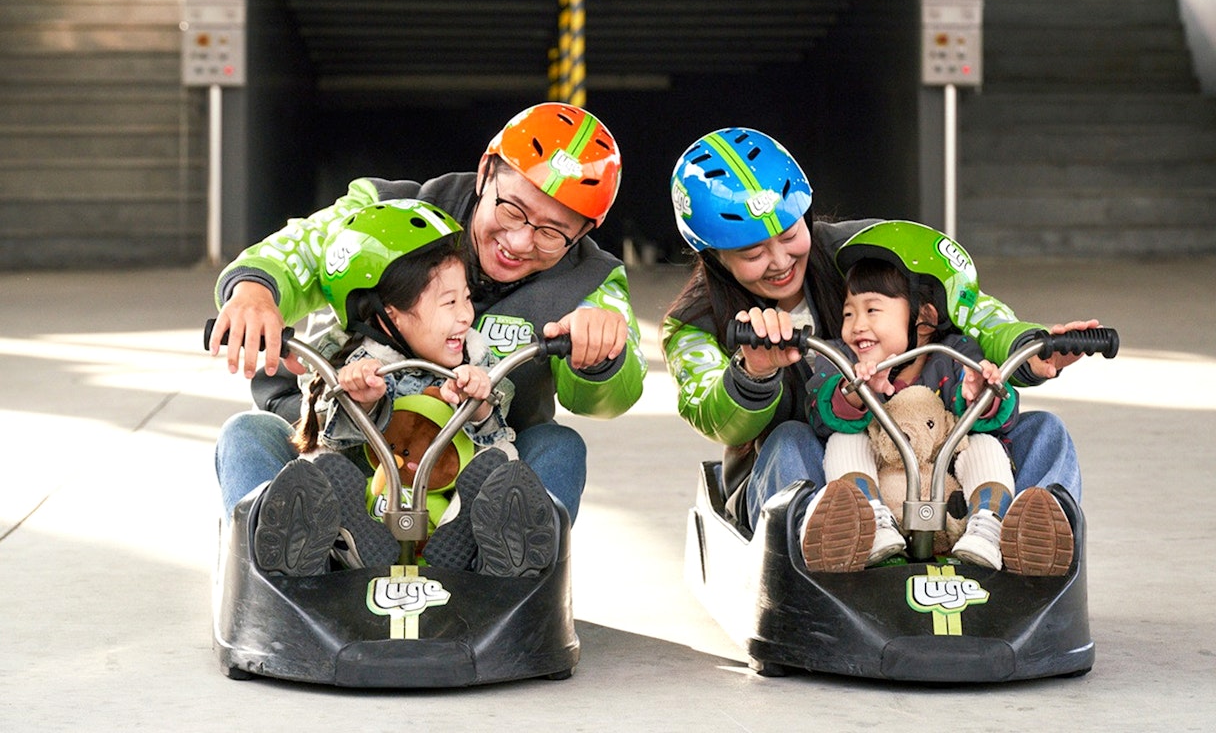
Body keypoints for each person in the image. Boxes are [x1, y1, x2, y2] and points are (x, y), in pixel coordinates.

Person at [208, 102, 646, 531]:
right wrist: (254, 290)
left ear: (585, 231)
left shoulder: (594, 282)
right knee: (247, 433)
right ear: (486, 173)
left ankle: (517, 554)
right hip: (339, 446)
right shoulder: (385, 210)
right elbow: (303, 248)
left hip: (479, 467)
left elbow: (611, 395)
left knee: (559, 445)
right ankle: (283, 541)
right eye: (511, 209)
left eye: (552, 233)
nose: (518, 240)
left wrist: (601, 354)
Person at [661, 127, 1100, 545]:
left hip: (930, 460)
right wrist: (752, 373)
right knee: (788, 438)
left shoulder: (866, 254)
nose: (780, 261)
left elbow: (968, 305)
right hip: (812, 469)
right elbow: (714, 415)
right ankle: (832, 542)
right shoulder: (693, 322)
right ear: (715, 258)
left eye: (790, 233)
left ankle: (1031, 543)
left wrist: (1026, 350)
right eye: (752, 252)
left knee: (1047, 431)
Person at [253, 198, 554, 578]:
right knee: (293, 456)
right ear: (389, 313)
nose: (466, 314)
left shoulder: (475, 357)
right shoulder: (347, 361)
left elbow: (495, 435)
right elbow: (319, 437)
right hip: (365, 514)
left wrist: (478, 401)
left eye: (466, 298)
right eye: (449, 302)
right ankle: (296, 558)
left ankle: (496, 557)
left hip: (451, 512)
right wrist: (356, 400)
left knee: (530, 457)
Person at [802, 220, 1043, 574]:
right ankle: (869, 523)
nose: (856, 325)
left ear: (925, 317)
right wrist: (855, 394)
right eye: (848, 313)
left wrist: (981, 395)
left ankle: (989, 528)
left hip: (949, 497)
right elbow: (820, 409)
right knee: (843, 437)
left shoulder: (953, 355)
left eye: (872, 310)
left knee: (984, 443)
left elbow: (1000, 416)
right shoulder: (841, 358)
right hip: (884, 493)